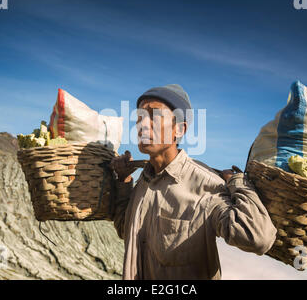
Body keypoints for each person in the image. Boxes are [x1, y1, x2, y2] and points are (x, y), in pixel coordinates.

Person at [109, 84, 277, 280]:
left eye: (153, 116)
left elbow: (258, 239)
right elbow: (126, 231)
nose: (143, 125)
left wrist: (238, 183)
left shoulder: (206, 186)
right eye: (139, 118)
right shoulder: (144, 181)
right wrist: (123, 180)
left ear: (179, 129)